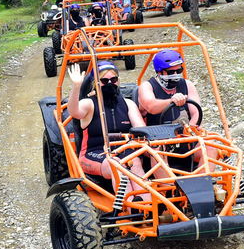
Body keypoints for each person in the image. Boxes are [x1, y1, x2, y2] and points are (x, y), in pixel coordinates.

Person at [67, 62, 146, 193]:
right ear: (96, 83)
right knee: (116, 165)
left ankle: (148, 207)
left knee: (136, 163)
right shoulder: (89, 104)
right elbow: (74, 111)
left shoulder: (127, 104)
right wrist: (76, 87)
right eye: (104, 80)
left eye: (113, 79)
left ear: (118, 81)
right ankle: (129, 207)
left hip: (123, 149)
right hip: (94, 153)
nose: (109, 83)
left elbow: (141, 129)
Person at [137, 49, 201, 126]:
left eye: (179, 70)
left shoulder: (187, 85)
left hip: (185, 133)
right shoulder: (147, 86)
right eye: (171, 72)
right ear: (159, 72)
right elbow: (151, 107)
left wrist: (191, 128)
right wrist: (171, 101)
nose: (175, 74)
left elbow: (196, 112)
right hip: (155, 134)